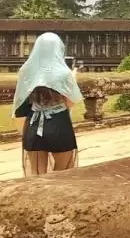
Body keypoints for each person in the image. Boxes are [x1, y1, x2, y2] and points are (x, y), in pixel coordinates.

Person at [12, 32, 82, 176]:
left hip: (33, 125)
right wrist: (72, 77)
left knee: (37, 176)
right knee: (63, 174)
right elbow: (70, 102)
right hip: (59, 124)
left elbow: (20, 99)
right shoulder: (64, 73)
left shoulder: (26, 70)